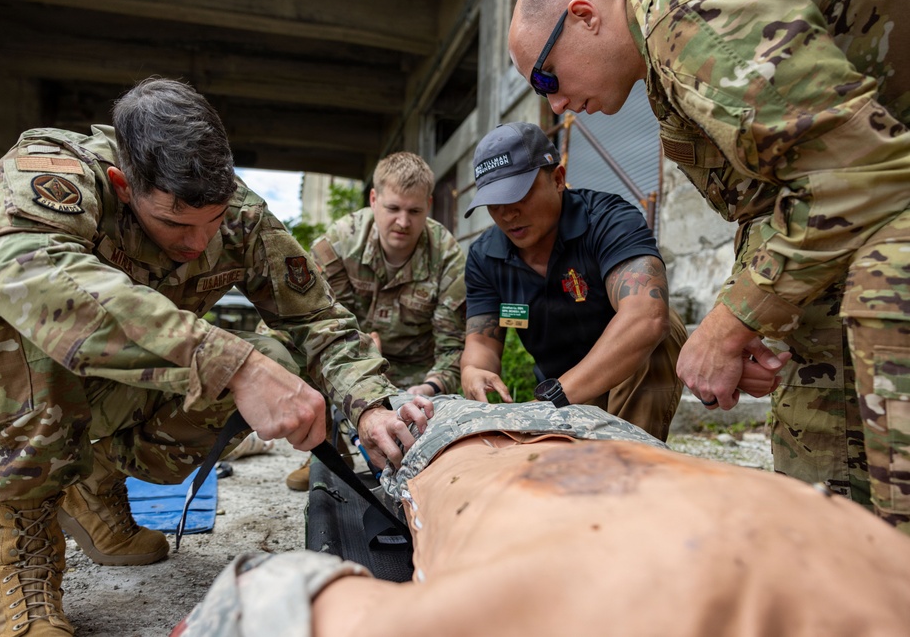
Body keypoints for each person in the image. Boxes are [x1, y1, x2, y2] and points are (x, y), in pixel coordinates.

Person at [0, 77, 433, 637]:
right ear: (124, 185)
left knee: (277, 355)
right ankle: (23, 557)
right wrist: (232, 363)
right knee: (18, 323)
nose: (197, 243)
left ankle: (94, 485)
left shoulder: (241, 216)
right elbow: (31, 278)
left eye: (213, 222)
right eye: (175, 223)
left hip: (113, 383)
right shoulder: (55, 174)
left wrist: (370, 405)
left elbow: (315, 319)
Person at [507, 0, 910, 533]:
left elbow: (853, 176)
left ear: (584, 17)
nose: (555, 104)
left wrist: (727, 326)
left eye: (547, 77)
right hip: (864, 211)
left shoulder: (687, 21)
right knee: (817, 489)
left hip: (884, 213)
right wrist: (747, 322)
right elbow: (774, 201)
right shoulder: (661, 66)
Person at [171, 393, 910, 637]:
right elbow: (268, 601)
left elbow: (260, 602)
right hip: (544, 450)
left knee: (408, 417)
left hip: (494, 453)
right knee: (409, 414)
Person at [461, 121, 687, 441]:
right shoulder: (485, 256)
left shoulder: (609, 220)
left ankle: (629, 460)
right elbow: (481, 343)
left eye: (518, 195)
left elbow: (646, 318)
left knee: (663, 329)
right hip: (557, 397)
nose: (507, 213)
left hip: (619, 378)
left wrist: (551, 402)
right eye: (493, 203)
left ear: (558, 179)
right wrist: (474, 371)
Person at [273, 151, 466, 489]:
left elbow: (453, 349)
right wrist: (362, 353)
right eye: (393, 208)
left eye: (414, 211)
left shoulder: (448, 258)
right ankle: (326, 447)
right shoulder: (338, 244)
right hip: (350, 357)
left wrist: (430, 387)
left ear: (429, 206)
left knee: (425, 468)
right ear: (374, 199)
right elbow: (316, 324)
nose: (403, 222)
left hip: (415, 375)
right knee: (288, 347)